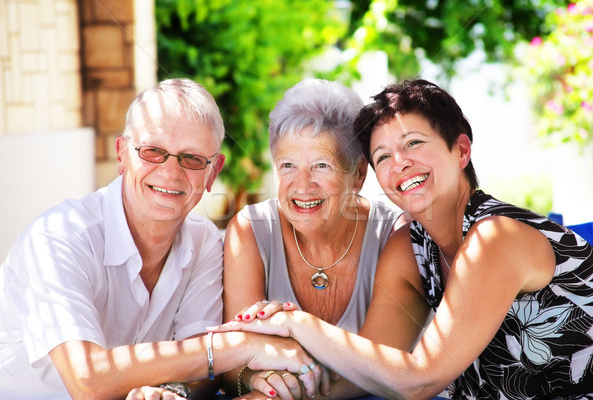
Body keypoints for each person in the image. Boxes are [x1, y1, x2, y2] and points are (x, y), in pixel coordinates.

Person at [210, 79, 593, 399]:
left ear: (460, 150)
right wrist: (279, 392)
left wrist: (295, 324)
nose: (400, 163)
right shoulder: (410, 246)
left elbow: (418, 379)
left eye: (413, 144)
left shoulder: (495, 237)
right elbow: (375, 368)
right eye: (383, 156)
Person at [0, 78, 323, 400]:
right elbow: (87, 380)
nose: (170, 172)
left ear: (213, 172)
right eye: (152, 151)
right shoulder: (59, 236)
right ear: (122, 154)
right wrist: (237, 346)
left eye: (192, 159)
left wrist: (171, 392)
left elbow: (200, 371)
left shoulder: (204, 241)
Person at [222, 78, 408, 399]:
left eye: (322, 165)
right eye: (288, 166)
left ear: (359, 174)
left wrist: (288, 394)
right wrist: (257, 379)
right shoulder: (250, 230)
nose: (302, 185)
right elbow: (232, 359)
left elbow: (378, 371)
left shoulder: (395, 235)